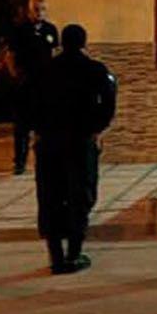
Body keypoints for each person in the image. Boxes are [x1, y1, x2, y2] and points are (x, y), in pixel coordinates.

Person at [23, 24, 116, 274]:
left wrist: (37, 129)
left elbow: (26, 104)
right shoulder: (95, 70)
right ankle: (74, 253)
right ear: (84, 42)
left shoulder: (44, 70)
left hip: (49, 142)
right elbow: (108, 103)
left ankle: (55, 255)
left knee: (50, 196)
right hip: (80, 141)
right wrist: (97, 128)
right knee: (80, 195)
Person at [12, 0, 59, 175]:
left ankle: (45, 160)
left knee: (45, 123)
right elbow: (12, 53)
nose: (39, 13)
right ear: (30, 11)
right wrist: (17, 75)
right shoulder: (21, 30)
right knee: (21, 125)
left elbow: (54, 51)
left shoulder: (50, 30)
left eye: (42, 9)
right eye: (36, 9)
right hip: (25, 82)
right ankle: (19, 161)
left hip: (44, 83)